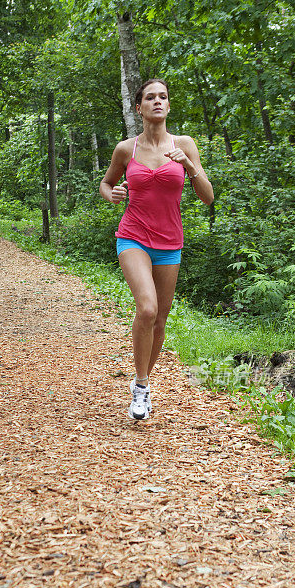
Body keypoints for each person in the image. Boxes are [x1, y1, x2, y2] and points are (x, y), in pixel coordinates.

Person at [99, 78, 214, 420]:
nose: (157, 102)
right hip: (132, 236)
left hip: (169, 242)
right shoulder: (126, 149)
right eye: (150, 97)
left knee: (160, 320)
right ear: (139, 107)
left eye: (163, 96)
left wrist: (191, 167)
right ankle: (140, 384)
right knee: (147, 309)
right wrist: (112, 194)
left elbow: (208, 197)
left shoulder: (184, 144)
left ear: (168, 104)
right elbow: (106, 183)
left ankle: (143, 387)